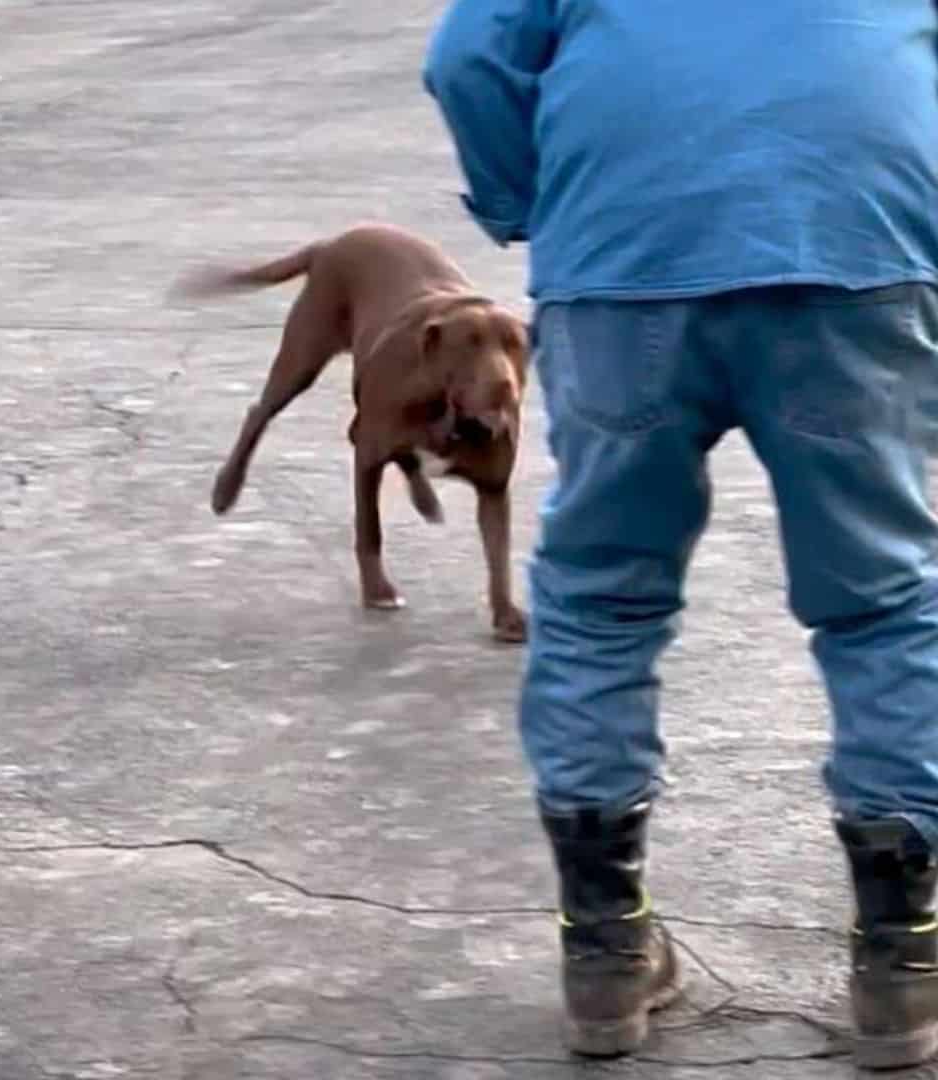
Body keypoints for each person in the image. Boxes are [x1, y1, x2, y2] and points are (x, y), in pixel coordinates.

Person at [421, 0, 938, 1068]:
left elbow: (469, 56)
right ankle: (902, 967)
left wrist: (532, 201)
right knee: (883, 600)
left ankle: (603, 953)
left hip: (623, 258)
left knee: (599, 599)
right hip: (855, 251)